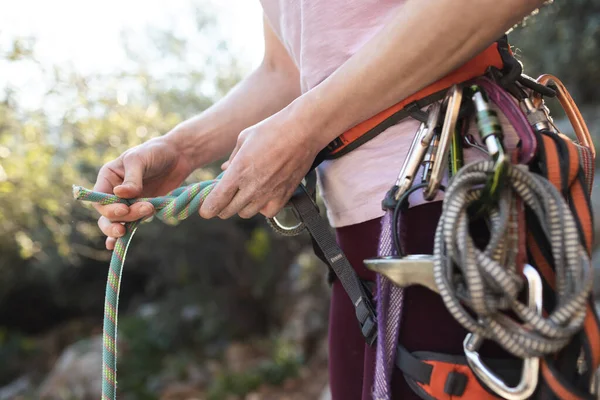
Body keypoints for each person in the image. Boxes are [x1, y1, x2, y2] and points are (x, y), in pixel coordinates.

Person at [91, 1, 550, 398]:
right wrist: (182, 150)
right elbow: (286, 70)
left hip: (454, 204)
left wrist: (305, 127)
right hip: (356, 243)